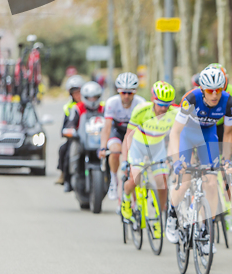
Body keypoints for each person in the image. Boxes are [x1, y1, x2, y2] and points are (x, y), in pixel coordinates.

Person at [167, 66, 232, 253]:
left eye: (218, 90)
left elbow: (229, 134)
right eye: (209, 90)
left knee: (212, 183)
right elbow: (175, 132)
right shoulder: (190, 99)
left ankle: (206, 230)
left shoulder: (228, 101)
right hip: (187, 134)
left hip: (208, 135)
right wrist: (176, 161)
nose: (214, 95)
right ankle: (172, 214)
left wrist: (226, 159)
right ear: (202, 89)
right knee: (185, 180)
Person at [120, 81, 178, 238]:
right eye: (160, 104)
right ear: (153, 99)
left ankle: (161, 212)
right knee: (135, 179)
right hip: (138, 147)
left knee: (162, 182)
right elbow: (128, 136)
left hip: (157, 149)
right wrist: (126, 160)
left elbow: (177, 137)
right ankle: (126, 199)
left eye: (167, 105)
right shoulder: (141, 110)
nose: (163, 108)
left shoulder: (174, 113)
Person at [99, 72, 146, 200]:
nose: (126, 96)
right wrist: (103, 147)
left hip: (133, 132)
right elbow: (107, 127)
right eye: (123, 93)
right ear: (118, 92)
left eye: (129, 93)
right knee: (114, 151)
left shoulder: (141, 103)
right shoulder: (112, 102)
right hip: (117, 130)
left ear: (135, 92)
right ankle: (113, 180)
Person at [62, 82, 105, 188]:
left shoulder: (103, 108)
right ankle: (73, 174)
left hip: (99, 140)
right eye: (89, 98)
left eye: (95, 97)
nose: (92, 100)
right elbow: (70, 123)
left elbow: (109, 123)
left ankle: (111, 177)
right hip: (82, 139)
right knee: (71, 150)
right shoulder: (77, 108)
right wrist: (71, 130)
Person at [56, 75, 84, 190]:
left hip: (89, 136)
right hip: (75, 137)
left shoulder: (90, 105)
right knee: (65, 151)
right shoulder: (69, 107)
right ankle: (66, 178)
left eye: (79, 92)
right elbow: (65, 126)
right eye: (75, 93)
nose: (78, 95)